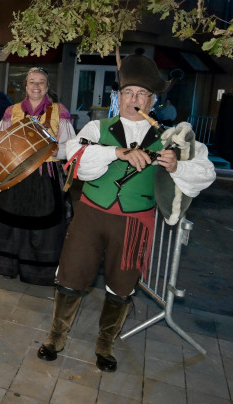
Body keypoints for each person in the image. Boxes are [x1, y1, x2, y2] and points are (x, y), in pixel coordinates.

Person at [37, 52, 215, 372]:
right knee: (71, 275)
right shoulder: (97, 126)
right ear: (119, 97)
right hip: (91, 213)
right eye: (128, 93)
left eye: (142, 94)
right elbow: (74, 158)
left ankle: (105, 344)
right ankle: (56, 336)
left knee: (121, 285)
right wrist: (117, 151)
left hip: (136, 219)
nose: (135, 99)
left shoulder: (168, 137)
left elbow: (206, 172)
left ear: (152, 101)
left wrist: (178, 165)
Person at [0, 68, 76, 285]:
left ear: (47, 87)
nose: (37, 86)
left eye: (41, 82)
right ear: (26, 86)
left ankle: (37, 272)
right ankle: (8, 265)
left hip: (45, 176)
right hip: (15, 175)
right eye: (32, 82)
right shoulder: (12, 111)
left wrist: (48, 150)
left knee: (44, 223)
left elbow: (71, 145)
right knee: (11, 219)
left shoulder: (59, 111)